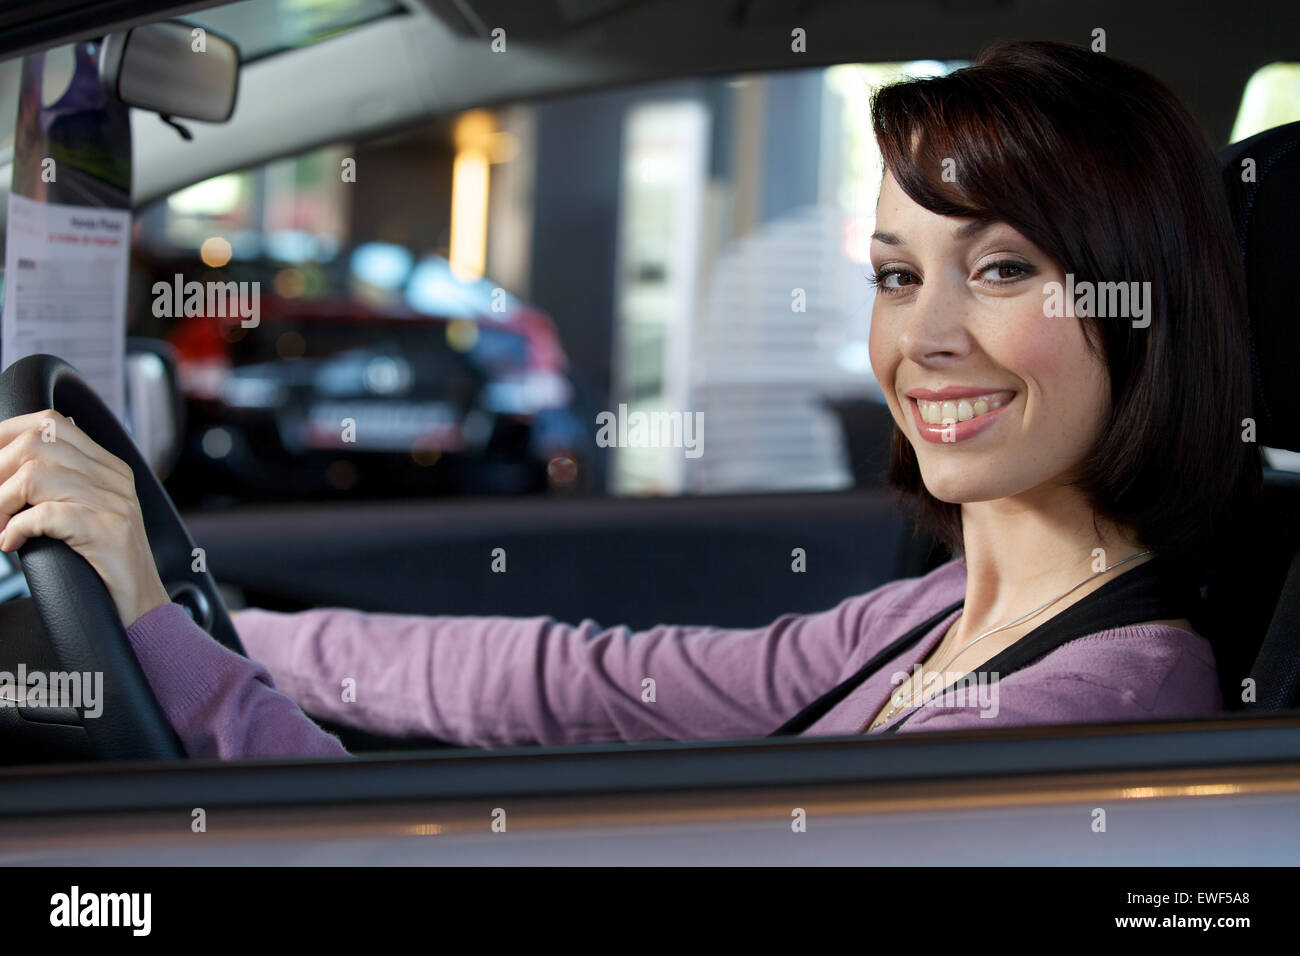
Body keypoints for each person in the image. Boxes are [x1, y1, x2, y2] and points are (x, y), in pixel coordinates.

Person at [0, 40, 1260, 759]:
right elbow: (591, 680)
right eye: (893, 274)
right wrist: (218, 622)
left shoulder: (1085, 714)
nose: (924, 336)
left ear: (1138, 300)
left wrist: (167, 640)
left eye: (1001, 268)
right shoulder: (946, 612)